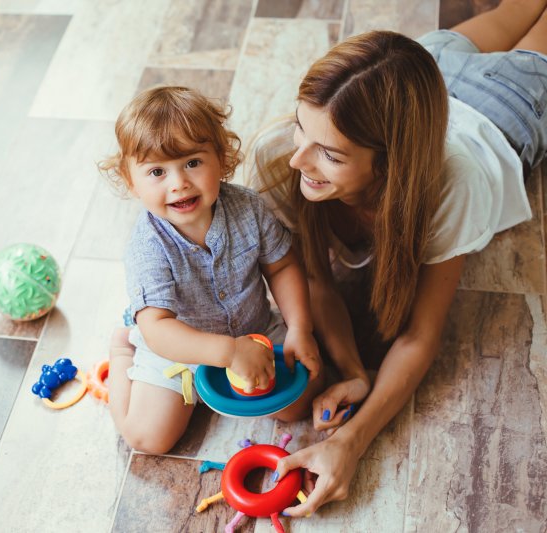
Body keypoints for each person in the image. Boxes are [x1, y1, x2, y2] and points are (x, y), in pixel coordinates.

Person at [246, 0, 547, 517]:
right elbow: (316, 279)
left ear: (390, 167)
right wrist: (353, 369)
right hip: (425, 68)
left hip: (503, 106)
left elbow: (420, 336)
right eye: (302, 127)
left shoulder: (453, 187)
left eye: (330, 155)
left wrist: (352, 441)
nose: (299, 160)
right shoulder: (281, 156)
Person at [99, 86, 324, 454]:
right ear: (131, 181)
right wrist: (227, 353)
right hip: (176, 349)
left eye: (192, 162)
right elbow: (158, 328)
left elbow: (283, 266)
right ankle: (123, 349)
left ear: (221, 158)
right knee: (148, 438)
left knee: (301, 400)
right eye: (157, 171)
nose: (179, 183)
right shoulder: (148, 246)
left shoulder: (248, 208)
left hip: (254, 330)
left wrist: (300, 327)